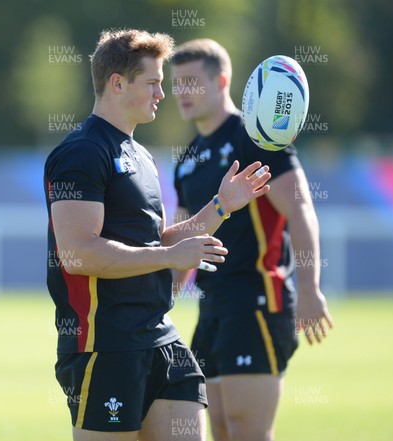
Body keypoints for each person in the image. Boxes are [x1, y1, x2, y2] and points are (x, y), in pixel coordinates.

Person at [43, 29, 272, 441]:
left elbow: (158, 242)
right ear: (117, 83)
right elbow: (78, 254)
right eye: (152, 82)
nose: (162, 94)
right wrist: (170, 259)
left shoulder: (141, 154)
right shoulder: (81, 153)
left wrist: (221, 206)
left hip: (159, 337)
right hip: (105, 344)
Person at [170, 39, 334, 441]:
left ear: (222, 80)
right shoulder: (188, 157)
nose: (181, 93)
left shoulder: (258, 134)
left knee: (248, 431)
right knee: (222, 430)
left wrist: (310, 288)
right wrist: (160, 299)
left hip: (257, 301)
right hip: (212, 309)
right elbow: (181, 242)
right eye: (176, 83)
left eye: (192, 81)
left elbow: (300, 210)